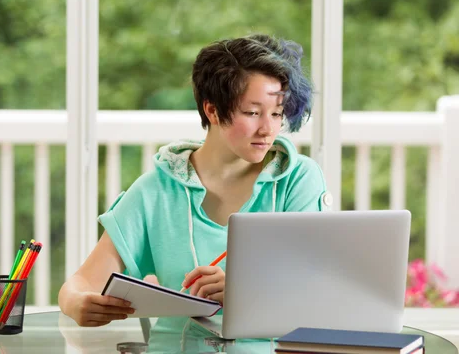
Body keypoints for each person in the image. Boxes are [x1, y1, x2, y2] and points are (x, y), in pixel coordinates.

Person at [58, 34, 330, 327]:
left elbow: (316, 289)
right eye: (252, 112)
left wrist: (244, 291)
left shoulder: (299, 180)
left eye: (277, 114)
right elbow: (81, 282)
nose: (268, 128)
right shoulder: (155, 191)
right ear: (212, 110)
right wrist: (76, 303)